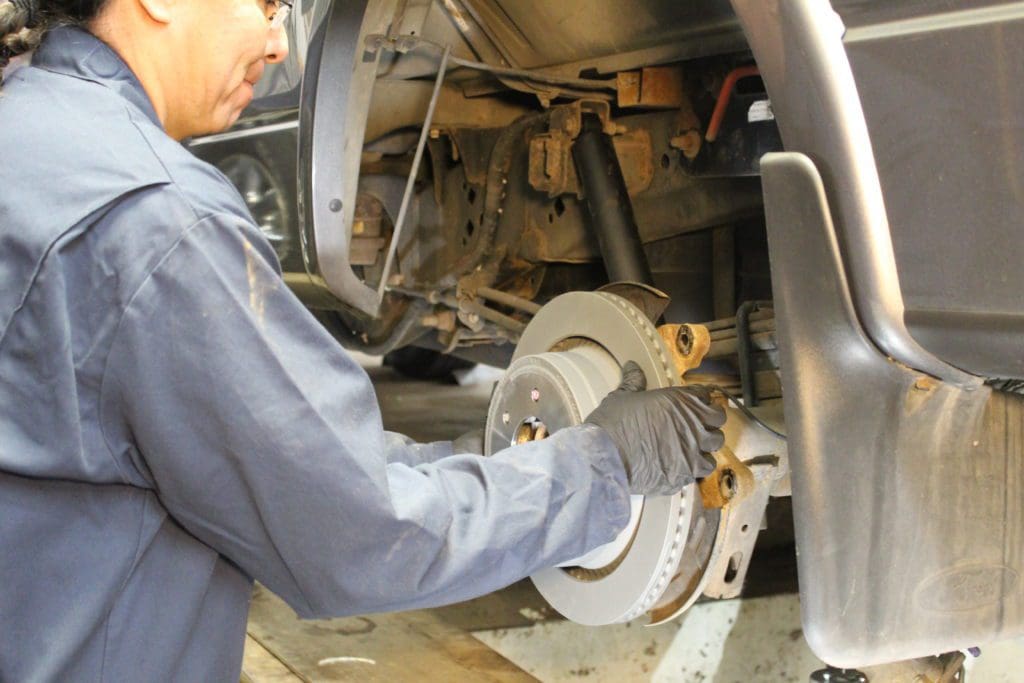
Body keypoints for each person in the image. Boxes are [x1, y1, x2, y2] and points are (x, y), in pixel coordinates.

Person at [0, 1, 726, 680]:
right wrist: (600, 467)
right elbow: (351, 532)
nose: (281, 42)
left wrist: (505, 463)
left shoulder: (29, 136)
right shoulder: (158, 223)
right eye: (265, 4)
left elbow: (286, 454)